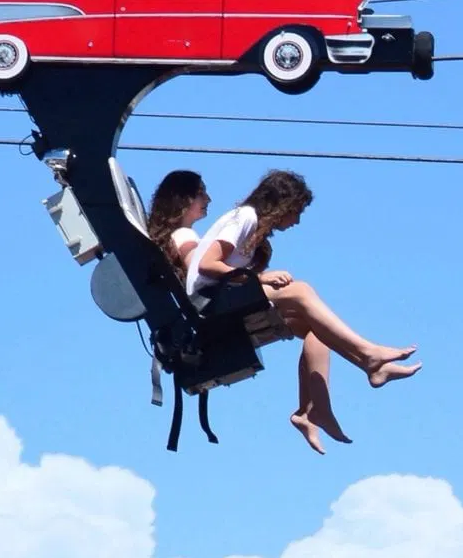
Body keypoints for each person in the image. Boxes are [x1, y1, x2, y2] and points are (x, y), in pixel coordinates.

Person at [185, 170, 422, 452]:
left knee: (317, 328)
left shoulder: (255, 232)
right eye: (296, 211)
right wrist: (260, 278)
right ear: (281, 204)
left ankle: (311, 411)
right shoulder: (245, 217)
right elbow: (208, 264)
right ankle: (369, 355)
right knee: (301, 291)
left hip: (221, 303)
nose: (296, 220)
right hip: (205, 306)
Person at [147, 169, 211, 279]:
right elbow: (198, 273)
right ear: (181, 199)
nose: (208, 199)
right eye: (200, 193)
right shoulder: (184, 234)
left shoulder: (171, 239)